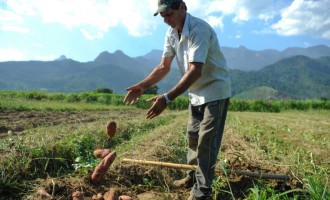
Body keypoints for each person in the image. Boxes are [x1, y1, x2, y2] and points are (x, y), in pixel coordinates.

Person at [124, 0, 231, 199]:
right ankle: (192, 176)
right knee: (193, 137)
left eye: (169, 14)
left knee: (207, 142)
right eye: (163, 16)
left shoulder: (199, 29)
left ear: (182, 7)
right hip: (195, 92)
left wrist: (167, 98)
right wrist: (142, 85)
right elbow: (163, 67)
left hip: (215, 90)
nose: (166, 20)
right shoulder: (172, 32)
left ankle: (202, 192)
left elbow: (195, 71)